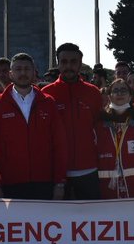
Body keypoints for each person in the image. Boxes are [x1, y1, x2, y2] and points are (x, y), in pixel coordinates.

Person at [0, 53, 67, 200]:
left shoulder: (48, 102)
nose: (23, 73)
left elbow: (59, 144)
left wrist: (59, 182)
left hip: (44, 181)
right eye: (18, 69)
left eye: (27, 69)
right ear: (11, 73)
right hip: (10, 182)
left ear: (34, 72)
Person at [43, 43, 102, 200]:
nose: (68, 66)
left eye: (73, 61)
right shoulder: (46, 94)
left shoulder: (93, 92)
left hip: (89, 169)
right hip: (57, 172)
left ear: (80, 64)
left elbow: (99, 127)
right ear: (58, 63)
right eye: (64, 62)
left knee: (91, 220)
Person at [95, 79, 134, 198]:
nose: (119, 93)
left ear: (130, 96)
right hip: (106, 194)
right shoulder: (98, 127)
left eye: (123, 90)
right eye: (115, 90)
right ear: (109, 96)